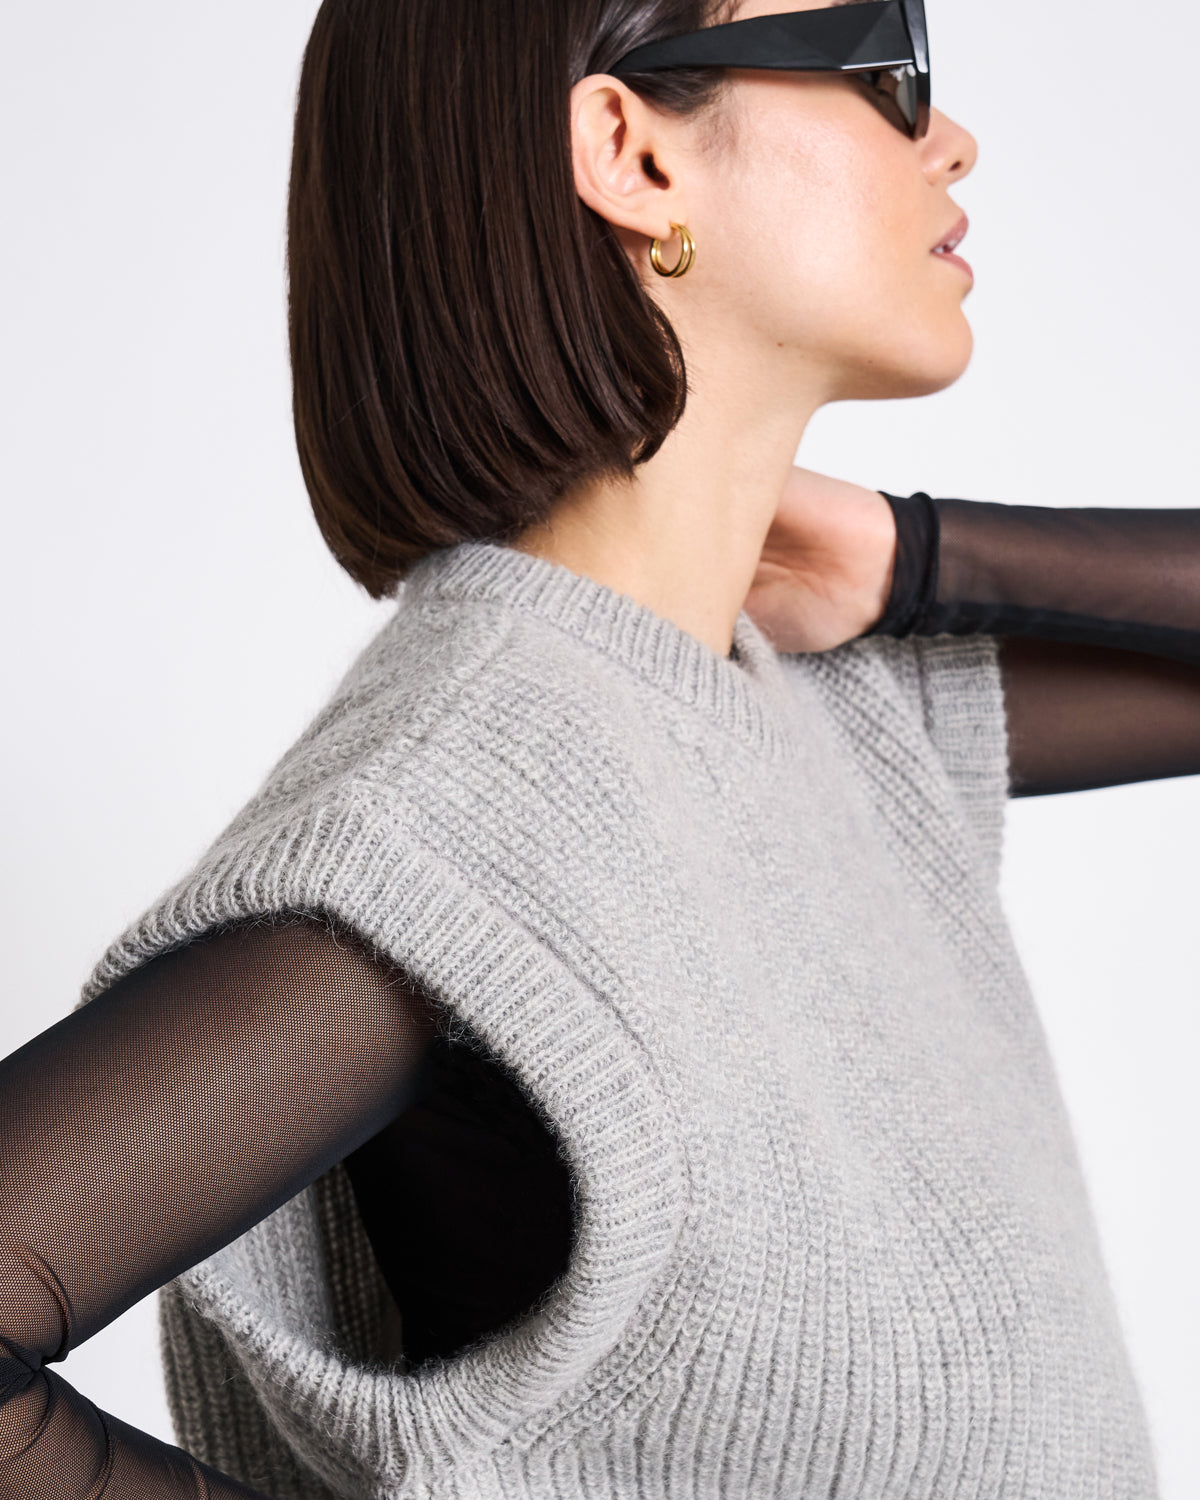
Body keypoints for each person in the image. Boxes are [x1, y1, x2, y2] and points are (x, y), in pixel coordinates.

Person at [1, 0, 1196, 1495]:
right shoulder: (462, 812)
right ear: (630, 152)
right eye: (890, 68)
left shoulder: (824, 711)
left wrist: (923, 557)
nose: (950, 138)